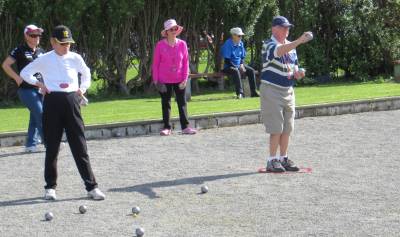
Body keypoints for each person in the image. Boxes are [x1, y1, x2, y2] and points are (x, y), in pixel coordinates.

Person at [20, 25, 105, 200]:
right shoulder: (44, 59)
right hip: (52, 103)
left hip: (72, 102)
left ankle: (92, 187)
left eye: (68, 43)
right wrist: (40, 84)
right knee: (52, 147)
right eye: (62, 43)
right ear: (52, 42)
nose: (66, 46)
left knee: (80, 147)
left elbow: (86, 73)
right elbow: (25, 73)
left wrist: (82, 88)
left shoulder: (75, 57)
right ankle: (50, 188)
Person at [260, 16, 312, 172]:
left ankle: (283, 158)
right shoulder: (268, 45)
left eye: (288, 27)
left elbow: (294, 68)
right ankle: (271, 160)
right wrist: (299, 41)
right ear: (274, 29)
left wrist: (298, 73)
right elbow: (279, 51)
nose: (286, 30)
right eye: (283, 27)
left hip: (288, 90)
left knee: (288, 128)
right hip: (272, 90)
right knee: (276, 127)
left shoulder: (291, 48)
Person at [2, 25, 45, 152]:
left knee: (34, 116)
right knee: (41, 114)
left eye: (38, 35)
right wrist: (16, 78)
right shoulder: (19, 49)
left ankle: (30, 145)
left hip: (40, 89)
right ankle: (50, 142)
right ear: (26, 36)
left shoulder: (41, 51)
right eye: (33, 35)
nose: (37, 37)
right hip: (26, 90)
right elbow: (5, 65)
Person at [152, 19, 197, 136]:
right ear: (166, 32)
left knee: (182, 103)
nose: (173, 31)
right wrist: (156, 81)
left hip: (179, 79)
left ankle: (185, 127)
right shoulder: (160, 45)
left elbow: (186, 62)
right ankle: (167, 127)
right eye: (171, 29)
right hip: (163, 79)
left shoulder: (182, 44)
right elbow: (155, 64)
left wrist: (185, 78)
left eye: (175, 28)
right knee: (166, 103)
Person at [221, 27, 259, 99]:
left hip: (238, 65)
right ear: (233, 35)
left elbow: (242, 57)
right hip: (228, 66)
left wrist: (241, 65)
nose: (241, 37)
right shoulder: (228, 44)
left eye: (241, 36)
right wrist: (238, 67)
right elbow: (227, 60)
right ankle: (240, 93)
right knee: (236, 71)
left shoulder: (241, 43)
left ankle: (253, 92)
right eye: (239, 36)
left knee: (251, 71)